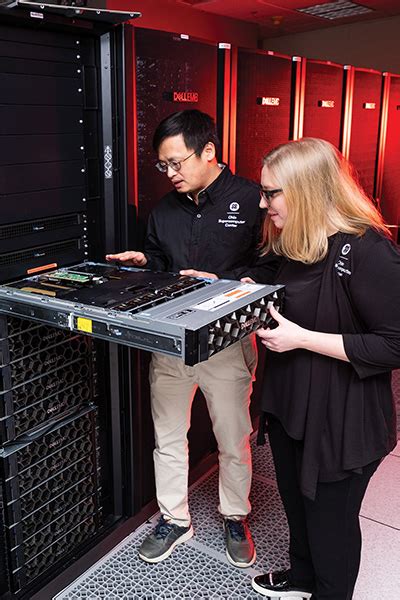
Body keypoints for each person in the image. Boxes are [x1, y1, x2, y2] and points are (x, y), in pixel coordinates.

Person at [106, 110, 276, 568]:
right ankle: (175, 519)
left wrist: (224, 283)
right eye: (163, 165)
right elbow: (163, 266)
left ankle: (235, 516)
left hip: (227, 341)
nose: (170, 173)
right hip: (172, 343)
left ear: (209, 152)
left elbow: (272, 267)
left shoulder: (253, 200)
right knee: (167, 437)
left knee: (233, 438)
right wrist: (146, 264)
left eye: (177, 162)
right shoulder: (163, 211)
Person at [246, 137, 400, 600]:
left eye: (271, 193)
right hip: (292, 406)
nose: (262, 203)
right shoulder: (298, 242)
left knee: (330, 524)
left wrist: (302, 339)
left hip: (343, 418)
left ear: (307, 190)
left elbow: (395, 344)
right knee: (297, 505)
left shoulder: (369, 251)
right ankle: (302, 577)